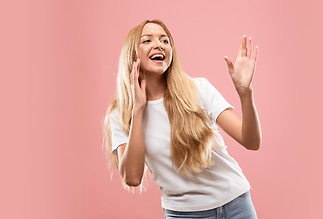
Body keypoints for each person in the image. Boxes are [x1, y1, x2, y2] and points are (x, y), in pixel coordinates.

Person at [103, 19, 262, 219]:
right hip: (183, 214)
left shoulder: (198, 89)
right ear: (132, 54)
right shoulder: (120, 113)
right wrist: (138, 109)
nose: (159, 44)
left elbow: (251, 141)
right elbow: (132, 177)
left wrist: (245, 93)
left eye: (165, 40)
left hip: (235, 206)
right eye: (147, 41)